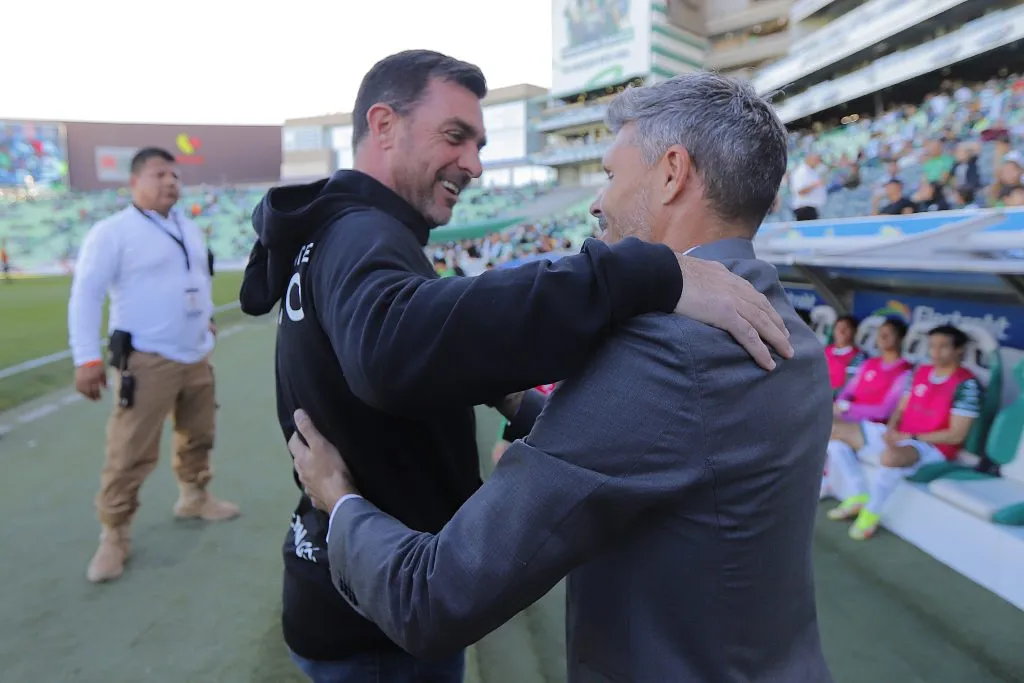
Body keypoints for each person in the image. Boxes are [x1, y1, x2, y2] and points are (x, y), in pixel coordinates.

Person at [239, 51, 793, 683]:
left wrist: (508, 399)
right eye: (456, 136)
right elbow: (393, 352)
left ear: (671, 175)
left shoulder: (350, 234)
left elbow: (627, 451)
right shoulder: (364, 235)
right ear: (384, 125)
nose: (474, 163)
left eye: (608, 174)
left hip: (363, 596)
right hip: (372, 612)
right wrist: (642, 272)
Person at [67, 147, 238, 584]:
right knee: (130, 450)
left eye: (175, 175)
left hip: (195, 353)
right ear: (135, 182)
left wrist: (207, 320)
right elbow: (86, 294)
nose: (171, 182)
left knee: (199, 433)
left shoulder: (187, 227)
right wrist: (86, 357)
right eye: (160, 174)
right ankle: (114, 534)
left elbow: (195, 280)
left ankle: (194, 496)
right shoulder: (113, 233)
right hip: (147, 357)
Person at [826, 324, 981, 540]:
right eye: (932, 345)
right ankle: (857, 493)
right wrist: (891, 429)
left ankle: (871, 513)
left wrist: (912, 437)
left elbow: (956, 434)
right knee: (832, 433)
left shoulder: (966, 384)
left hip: (932, 445)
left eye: (943, 346)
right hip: (902, 436)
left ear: (959, 350)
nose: (935, 351)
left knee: (891, 457)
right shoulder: (922, 371)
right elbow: (900, 408)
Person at [823, 318, 912, 500]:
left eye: (888, 334)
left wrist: (848, 408)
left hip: (878, 429)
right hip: (854, 424)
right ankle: (856, 492)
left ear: (901, 338)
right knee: (833, 442)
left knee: (827, 428)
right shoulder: (869, 364)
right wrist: (840, 405)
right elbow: (847, 393)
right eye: (880, 334)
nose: (882, 337)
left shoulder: (905, 371)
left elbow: (884, 411)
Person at [825, 314, 867, 395]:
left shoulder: (859, 356)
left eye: (846, 328)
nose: (841, 331)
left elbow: (852, 387)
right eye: (838, 327)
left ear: (855, 331)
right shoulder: (824, 351)